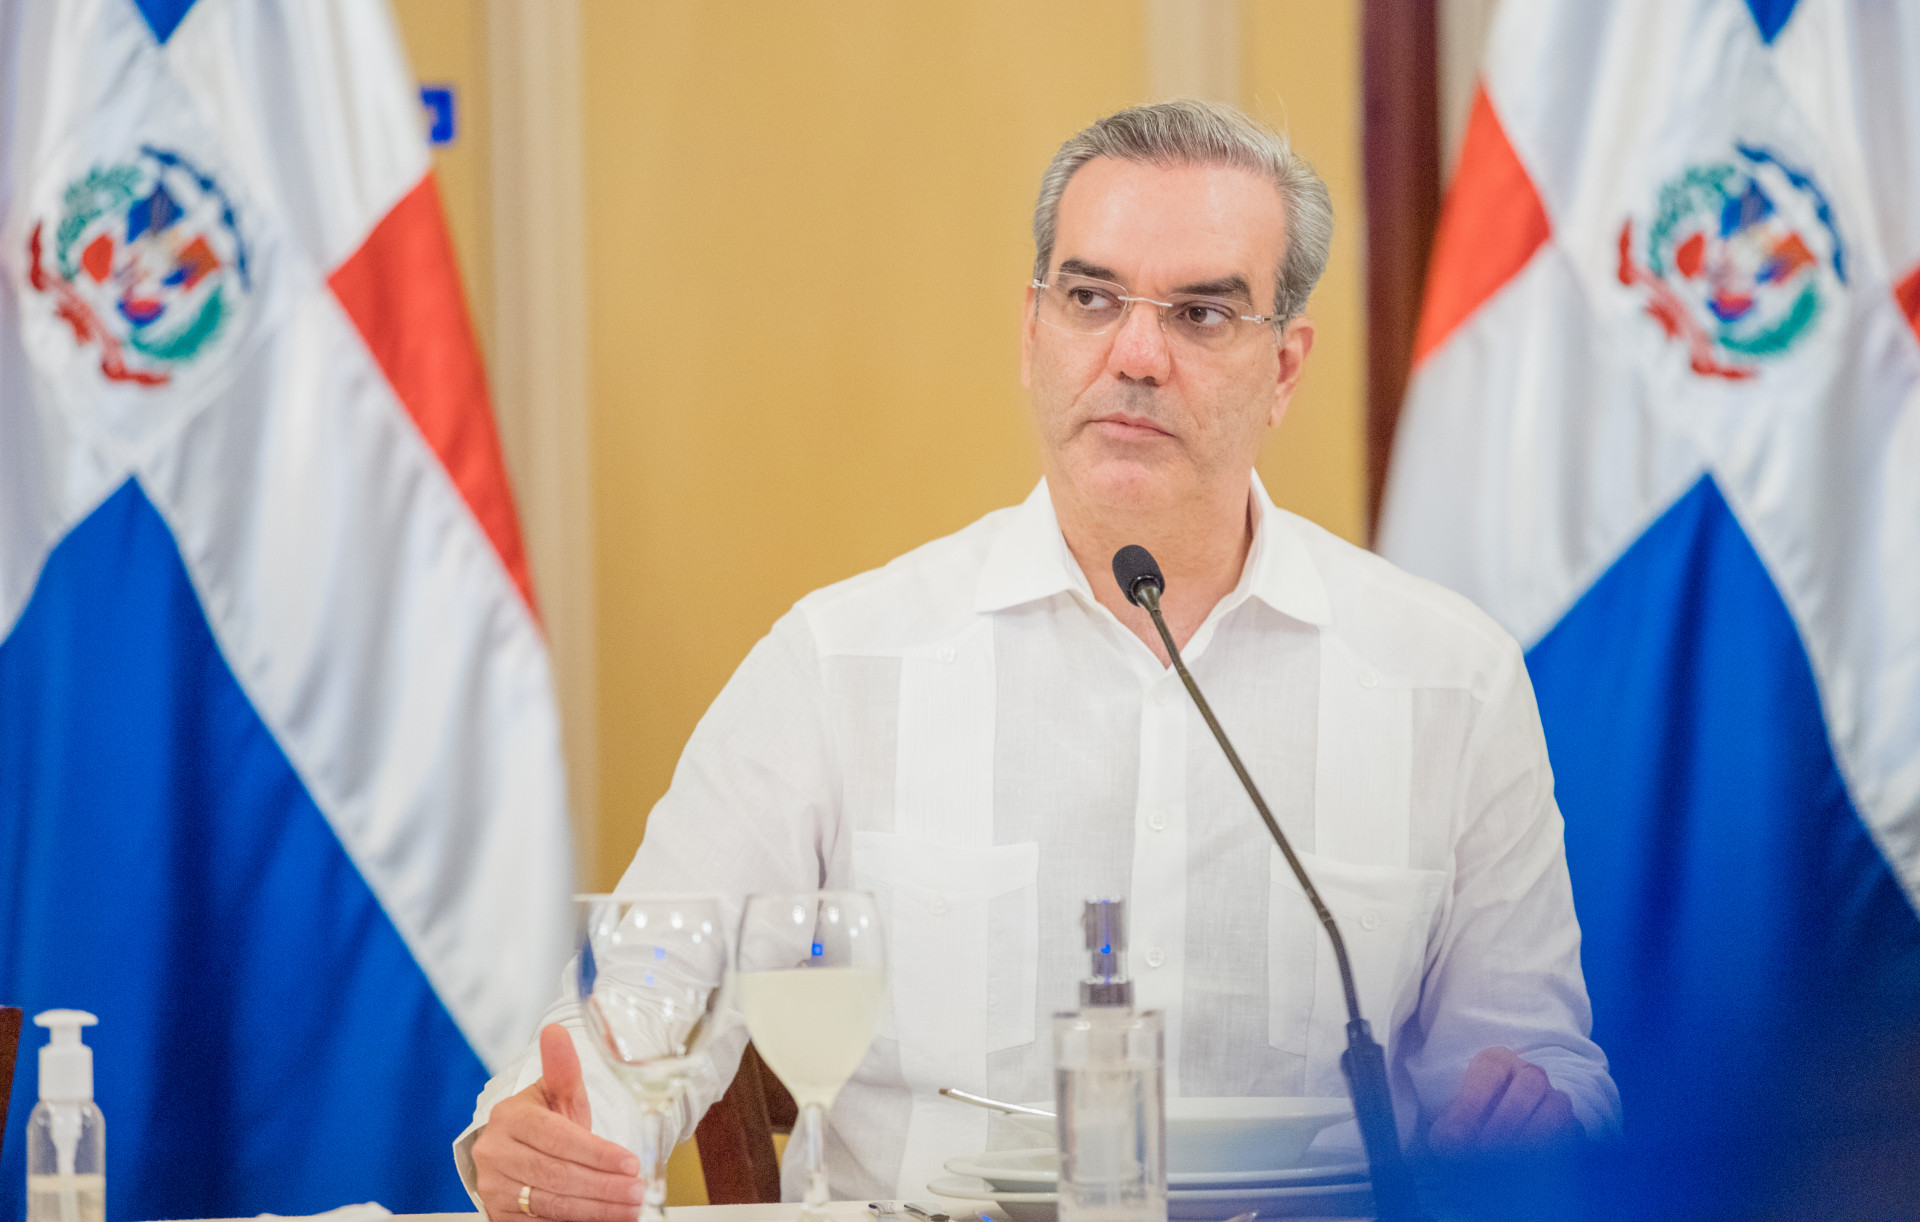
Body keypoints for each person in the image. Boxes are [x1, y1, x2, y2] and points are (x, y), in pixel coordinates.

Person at [455, 100, 1619, 1221]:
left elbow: (1543, 1062)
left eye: (1202, 313)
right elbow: (638, 1009)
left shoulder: (1451, 680)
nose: (1136, 353)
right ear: (1032, 333)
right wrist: (558, 1135)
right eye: (1091, 297)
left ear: (1285, 368)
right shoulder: (840, 663)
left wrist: (1537, 1112)